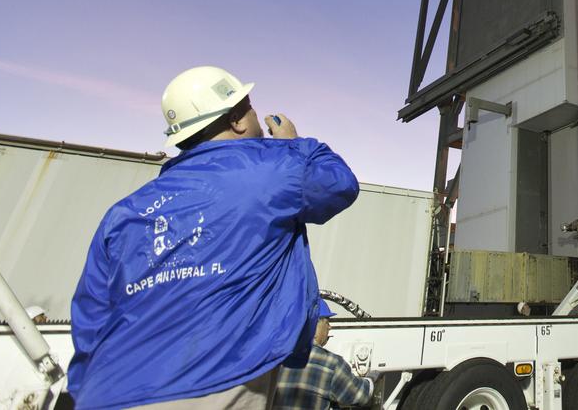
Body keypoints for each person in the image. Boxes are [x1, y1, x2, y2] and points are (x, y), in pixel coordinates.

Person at [68, 66, 360, 410]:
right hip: (214, 381)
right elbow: (339, 183)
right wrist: (292, 144)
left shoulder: (125, 212)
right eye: (250, 108)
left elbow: (90, 320)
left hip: (105, 392)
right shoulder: (273, 170)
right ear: (238, 119)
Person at [276, 300, 379, 409]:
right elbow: (360, 395)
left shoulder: (277, 357)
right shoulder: (331, 363)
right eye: (327, 322)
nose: (330, 327)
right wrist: (372, 377)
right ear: (315, 324)